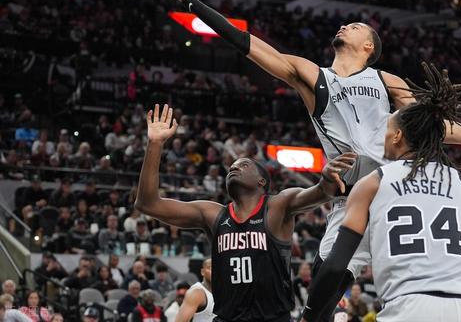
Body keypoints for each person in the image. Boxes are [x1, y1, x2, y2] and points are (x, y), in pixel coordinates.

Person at [131, 0, 461, 321]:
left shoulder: (386, 80)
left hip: (398, 185)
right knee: (324, 284)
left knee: (416, 282)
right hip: (355, 193)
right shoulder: (312, 76)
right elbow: (246, 42)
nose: (346, 25)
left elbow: (432, 126)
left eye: (357, 26)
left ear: (369, 47)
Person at [301, 65, 461, 322]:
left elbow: (336, 265)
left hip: (408, 306)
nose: (382, 137)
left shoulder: (373, 183)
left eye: (386, 130)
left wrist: (309, 316)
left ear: (397, 136)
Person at [135, 103, 356, 322]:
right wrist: (155, 144)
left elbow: (319, 192)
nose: (234, 167)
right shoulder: (213, 214)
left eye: (244, 165)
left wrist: (326, 179)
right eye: (232, 166)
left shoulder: (277, 206)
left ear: (262, 181)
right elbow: (148, 204)